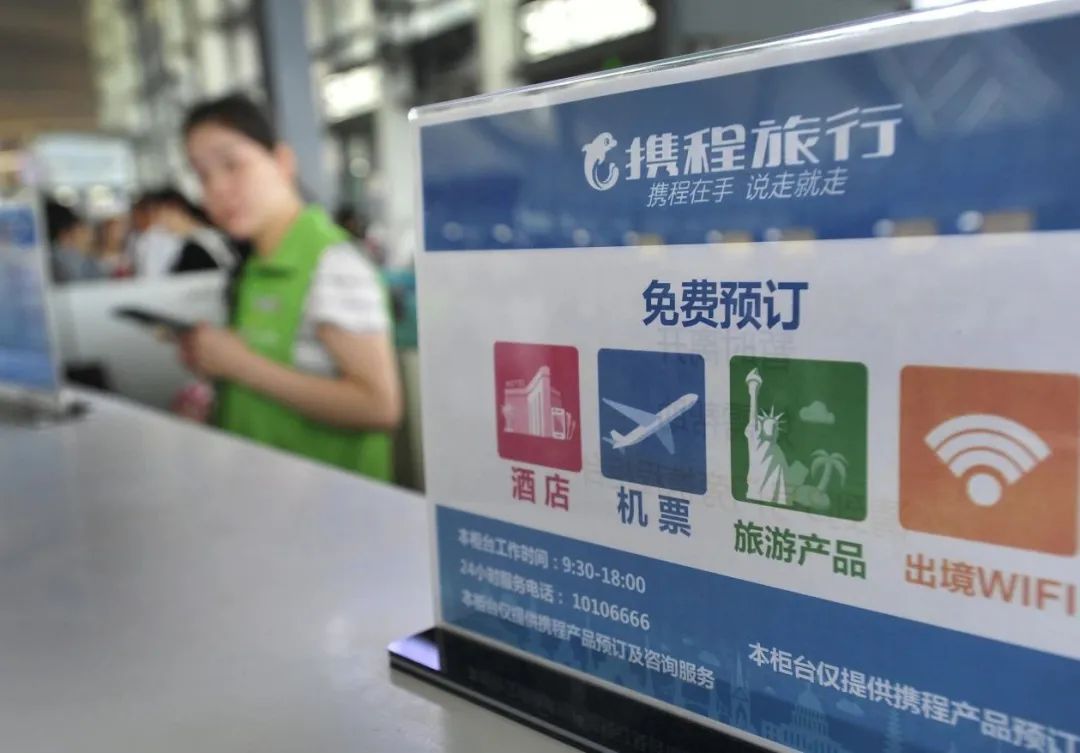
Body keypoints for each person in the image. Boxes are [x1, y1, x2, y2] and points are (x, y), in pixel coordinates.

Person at [178, 94, 402, 481]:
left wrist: (238, 364)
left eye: (232, 165)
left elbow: (379, 406)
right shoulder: (254, 266)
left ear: (282, 161)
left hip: (329, 502)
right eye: (202, 175)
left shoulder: (332, 265)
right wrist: (215, 367)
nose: (217, 189)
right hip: (265, 488)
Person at [152, 187, 236, 273]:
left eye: (164, 217)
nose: (163, 224)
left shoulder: (197, 246)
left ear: (176, 210)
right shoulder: (210, 236)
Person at [45, 199, 104, 283]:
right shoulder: (59, 263)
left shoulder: (88, 262)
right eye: (82, 231)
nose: (89, 237)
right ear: (65, 235)